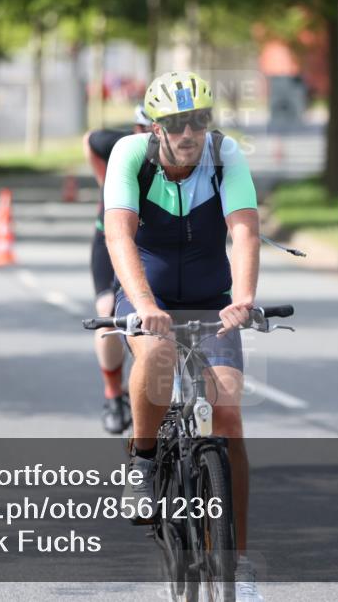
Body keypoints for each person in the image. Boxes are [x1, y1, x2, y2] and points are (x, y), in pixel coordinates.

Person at [103, 72, 263, 601]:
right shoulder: (130, 155)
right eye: (175, 123)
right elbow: (118, 234)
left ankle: (235, 561)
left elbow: (243, 228)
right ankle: (144, 462)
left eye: (199, 120)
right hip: (147, 294)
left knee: (230, 414)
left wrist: (242, 297)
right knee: (158, 353)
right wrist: (145, 306)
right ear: (154, 127)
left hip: (211, 297)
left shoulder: (225, 154)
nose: (189, 132)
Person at [84, 105, 153, 434]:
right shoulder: (120, 146)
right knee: (108, 310)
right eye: (148, 129)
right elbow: (90, 140)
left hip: (145, 240)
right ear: (136, 130)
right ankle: (114, 394)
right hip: (109, 238)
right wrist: (104, 181)